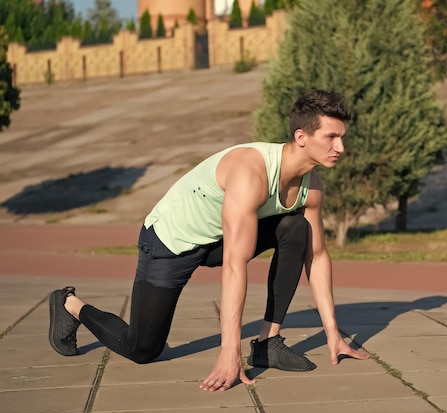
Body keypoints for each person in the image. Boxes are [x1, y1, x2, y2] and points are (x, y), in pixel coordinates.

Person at [48, 89, 369, 392]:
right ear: (301, 137)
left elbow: (317, 256)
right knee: (142, 348)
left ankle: (267, 343)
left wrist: (333, 333)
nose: (340, 147)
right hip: (170, 242)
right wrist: (229, 353)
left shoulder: (311, 186)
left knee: (297, 228)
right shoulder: (251, 172)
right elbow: (234, 264)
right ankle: (70, 304)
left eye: (341, 137)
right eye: (331, 137)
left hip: (217, 238)